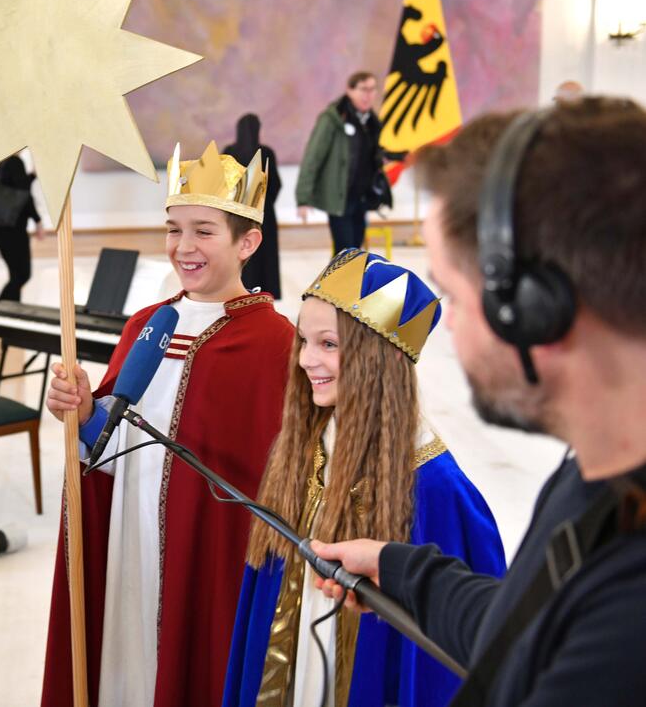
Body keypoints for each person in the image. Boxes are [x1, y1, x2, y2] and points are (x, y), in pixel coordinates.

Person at [311, 98, 646, 705]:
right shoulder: (597, 477)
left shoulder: (628, 617)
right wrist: (405, 571)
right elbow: (527, 631)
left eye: (454, 298)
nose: (449, 333)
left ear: (536, 311)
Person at [41, 141, 295, 707]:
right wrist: (83, 413)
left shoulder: (273, 342)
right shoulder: (147, 325)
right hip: (128, 540)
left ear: (248, 242)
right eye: (174, 229)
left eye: (204, 231)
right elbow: (108, 442)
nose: (184, 247)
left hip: (209, 556)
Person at [224, 249, 506, 707]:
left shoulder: (435, 488)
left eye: (328, 345)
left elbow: (451, 664)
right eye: (303, 341)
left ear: (376, 359)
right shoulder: (303, 450)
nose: (305, 360)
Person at [296, 72, 385, 254]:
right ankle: (341, 273)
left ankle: (351, 274)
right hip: (340, 200)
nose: (368, 95)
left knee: (356, 251)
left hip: (362, 199)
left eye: (372, 89)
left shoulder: (372, 122)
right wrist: (303, 199)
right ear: (350, 91)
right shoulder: (332, 119)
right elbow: (313, 157)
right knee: (345, 251)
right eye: (363, 89)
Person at [224, 113, 281, 298]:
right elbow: (275, 184)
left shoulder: (229, 152)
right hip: (264, 213)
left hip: (237, 212)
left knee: (241, 250)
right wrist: (264, 202)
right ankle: (264, 294)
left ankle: (238, 292)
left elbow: (224, 183)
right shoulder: (266, 152)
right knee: (265, 255)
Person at [0, 155, 44, 302]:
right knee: (22, 274)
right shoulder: (15, 161)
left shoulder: (2, 161)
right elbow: (23, 193)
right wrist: (38, 220)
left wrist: (32, 176)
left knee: (16, 274)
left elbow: (13, 187)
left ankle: (12, 307)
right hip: (12, 230)